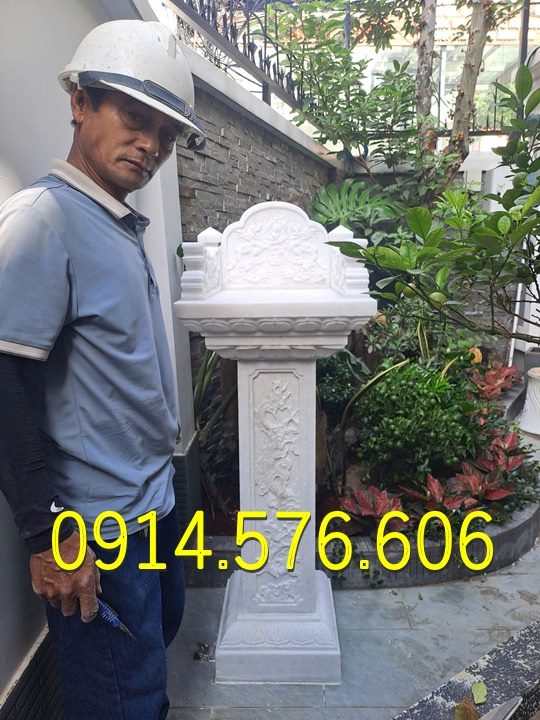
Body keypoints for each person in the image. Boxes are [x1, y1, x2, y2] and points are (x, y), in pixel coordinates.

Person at [0, 19, 205, 720]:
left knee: (147, 668)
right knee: (121, 700)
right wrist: (49, 536)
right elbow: (4, 386)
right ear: (80, 101)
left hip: (153, 509)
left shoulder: (113, 221)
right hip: (96, 533)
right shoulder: (43, 221)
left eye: (167, 135)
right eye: (135, 118)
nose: (151, 145)